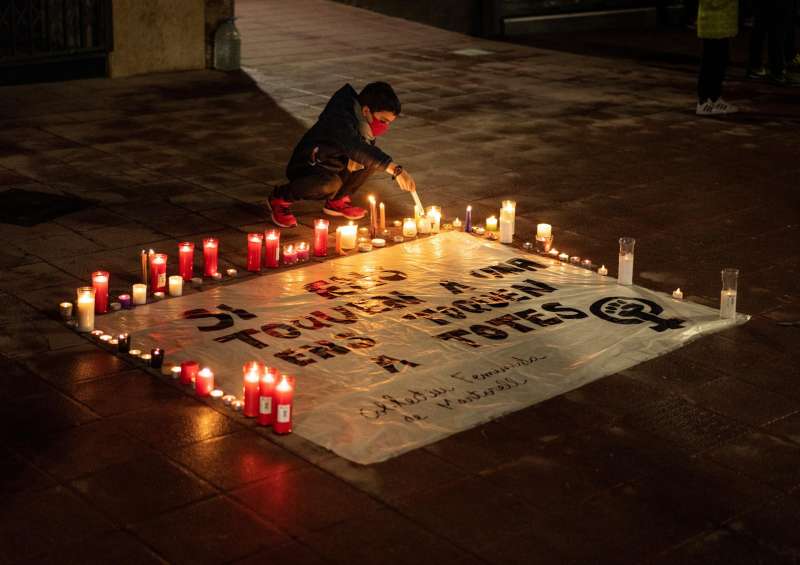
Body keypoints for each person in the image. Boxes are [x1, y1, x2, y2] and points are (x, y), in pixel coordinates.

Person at [267, 82, 416, 227]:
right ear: (365, 111)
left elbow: (363, 151)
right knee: (331, 184)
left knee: (370, 161)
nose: (385, 127)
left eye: (389, 123)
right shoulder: (340, 117)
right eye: (383, 121)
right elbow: (354, 146)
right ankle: (280, 197)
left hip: (335, 163)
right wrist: (395, 169)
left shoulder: (363, 123)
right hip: (311, 164)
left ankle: (336, 201)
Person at [696, 0, 739, 115]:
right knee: (710, 61)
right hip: (712, 22)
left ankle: (715, 97)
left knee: (720, 61)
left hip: (722, 22)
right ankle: (703, 100)